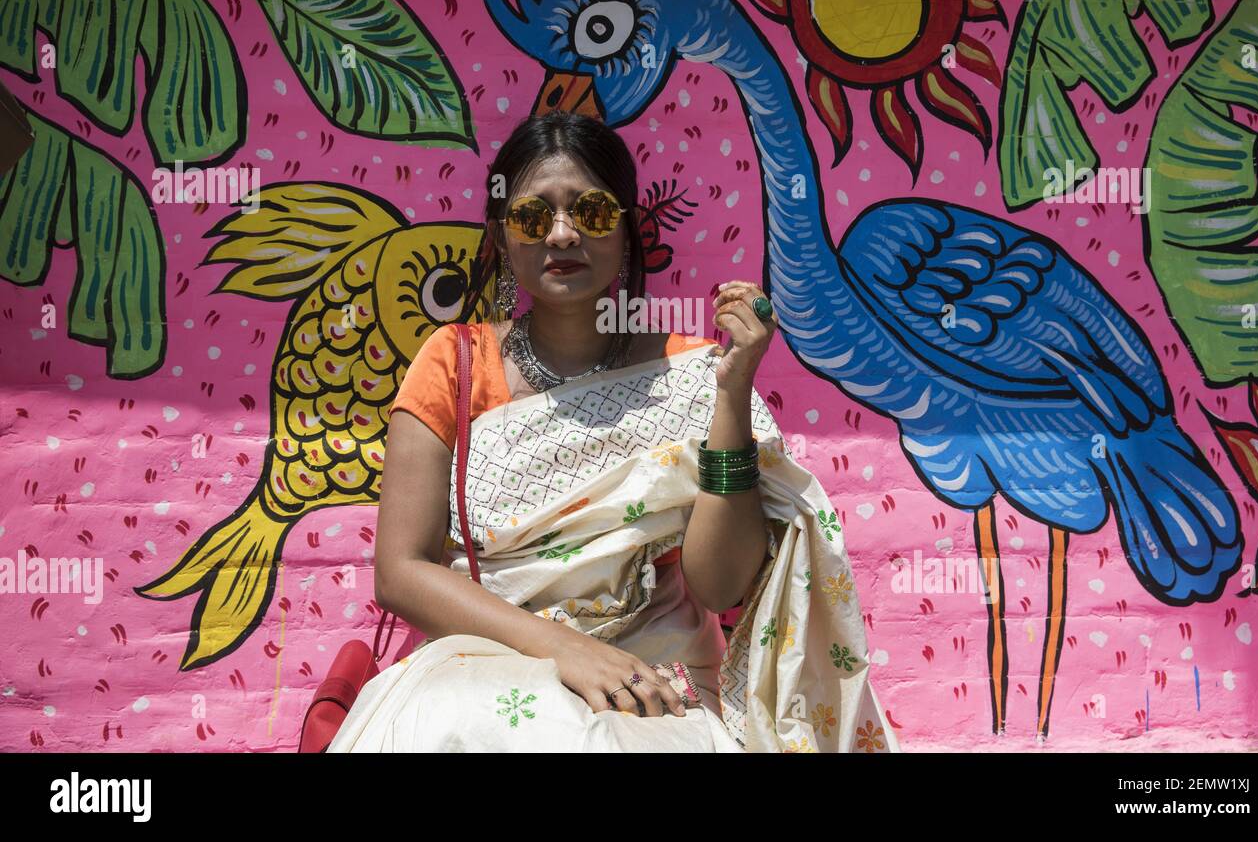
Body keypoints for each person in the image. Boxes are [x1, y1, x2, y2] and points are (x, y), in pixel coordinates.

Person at [328, 111, 898, 752]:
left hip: (656, 679)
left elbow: (719, 586)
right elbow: (400, 572)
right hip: (481, 665)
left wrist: (732, 398)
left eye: (592, 213)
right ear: (503, 236)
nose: (563, 234)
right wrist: (566, 652)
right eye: (533, 218)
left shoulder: (691, 376)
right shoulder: (452, 362)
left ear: (626, 231)